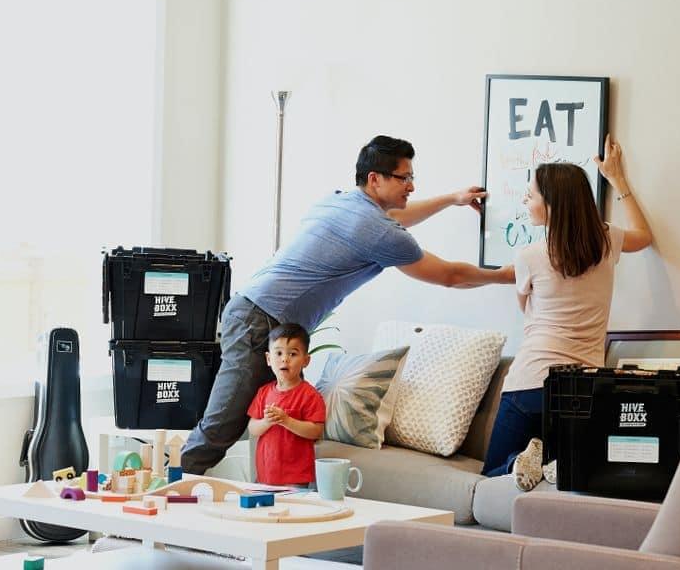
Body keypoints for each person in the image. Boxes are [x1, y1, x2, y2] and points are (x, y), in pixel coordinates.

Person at [182, 135, 515, 474]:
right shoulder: (378, 231)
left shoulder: (340, 200)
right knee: (224, 423)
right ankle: (167, 495)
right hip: (262, 321)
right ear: (375, 179)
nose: (411, 186)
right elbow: (450, 275)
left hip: (252, 310)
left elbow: (397, 216)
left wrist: (451, 199)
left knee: (231, 419)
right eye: (405, 178)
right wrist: (506, 275)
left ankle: (177, 486)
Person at [480, 134, 654, 491]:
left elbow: (525, 308)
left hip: (530, 383)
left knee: (493, 475)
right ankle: (550, 464)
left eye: (532, 193)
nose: (526, 198)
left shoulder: (529, 256)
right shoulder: (607, 241)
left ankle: (523, 462)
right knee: (569, 476)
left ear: (553, 203)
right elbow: (644, 236)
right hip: (585, 387)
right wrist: (617, 180)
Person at [246, 323, 326, 486]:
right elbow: (253, 428)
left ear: (306, 360)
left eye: (293, 354)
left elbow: (316, 431)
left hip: (295, 477)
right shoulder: (264, 392)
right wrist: (267, 422)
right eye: (279, 353)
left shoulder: (310, 395)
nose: (284, 359)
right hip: (265, 473)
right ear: (269, 359)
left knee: (294, 511)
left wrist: (287, 421)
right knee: (263, 511)